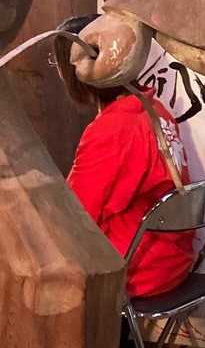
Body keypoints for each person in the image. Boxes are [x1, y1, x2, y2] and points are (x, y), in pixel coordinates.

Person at [56, 15, 195, 299]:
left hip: (139, 272)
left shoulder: (112, 129)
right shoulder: (154, 108)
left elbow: (75, 218)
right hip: (175, 261)